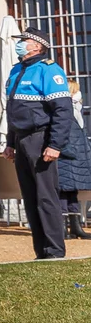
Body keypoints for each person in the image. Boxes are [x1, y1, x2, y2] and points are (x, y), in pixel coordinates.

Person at [1, 26, 76, 259]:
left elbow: (63, 111)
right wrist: (10, 142)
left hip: (40, 139)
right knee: (30, 197)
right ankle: (40, 251)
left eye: (23, 40)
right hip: (22, 139)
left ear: (37, 45)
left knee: (46, 196)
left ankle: (55, 250)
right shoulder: (16, 71)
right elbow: (14, 111)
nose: (19, 43)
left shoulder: (49, 70)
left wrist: (55, 145)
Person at [57, 85, 90, 241]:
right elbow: (60, 133)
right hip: (65, 158)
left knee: (72, 192)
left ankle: (76, 227)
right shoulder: (64, 110)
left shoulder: (77, 111)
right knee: (63, 191)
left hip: (77, 159)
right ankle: (62, 228)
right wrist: (71, 151)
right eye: (76, 91)